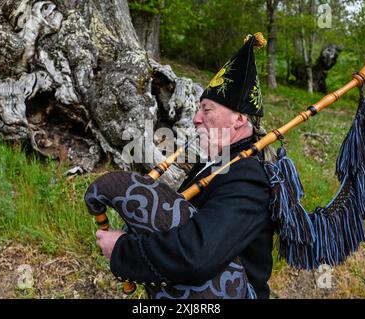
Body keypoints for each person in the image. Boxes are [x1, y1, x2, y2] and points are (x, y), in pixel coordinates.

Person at [95, 33, 275, 299]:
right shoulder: (219, 162)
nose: (195, 118)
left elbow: (197, 255)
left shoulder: (248, 174)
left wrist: (124, 251)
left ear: (237, 119)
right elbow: (184, 221)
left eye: (207, 109)